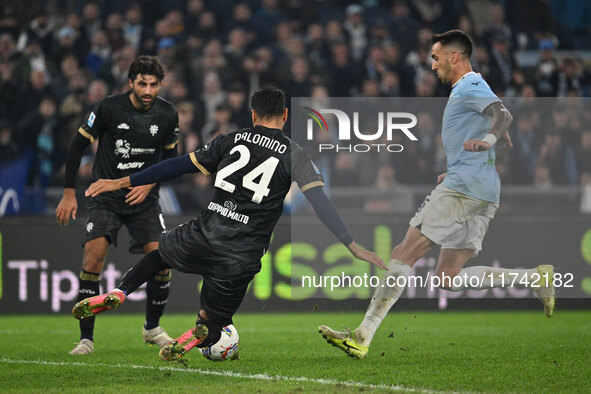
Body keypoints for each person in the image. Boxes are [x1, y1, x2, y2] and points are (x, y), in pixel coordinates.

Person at [73, 85, 386, 361]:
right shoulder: (295, 154)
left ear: (253, 114)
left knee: (158, 254)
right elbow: (320, 203)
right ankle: (196, 334)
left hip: (204, 234)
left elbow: (178, 166)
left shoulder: (229, 140)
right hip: (241, 255)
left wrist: (123, 180)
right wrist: (352, 244)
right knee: (213, 324)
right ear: (285, 115)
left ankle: (122, 291)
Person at [319, 29, 556, 359]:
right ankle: (533, 278)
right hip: (483, 189)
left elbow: (504, 116)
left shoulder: (470, 85)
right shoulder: (471, 89)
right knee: (447, 277)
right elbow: (503, 139)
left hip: (463, 189)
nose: (432, 65)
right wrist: (470, 157)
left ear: (454, 57)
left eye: (435, 57)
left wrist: (485, 143)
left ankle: (363, 334)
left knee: (404, 252)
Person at [56, 56, 180, 355]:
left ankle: (152, 327)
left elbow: (171, 161)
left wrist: (149, 184)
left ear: (160, 84)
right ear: (131, 83)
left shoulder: (168, 114)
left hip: (144, 199)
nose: (148, 90)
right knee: (93, 258)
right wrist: (69, 191)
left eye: (153, 84)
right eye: (142, 84)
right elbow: (77, 145)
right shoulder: (108, 108)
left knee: (162, 261)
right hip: (106, 196)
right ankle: (86, 339)